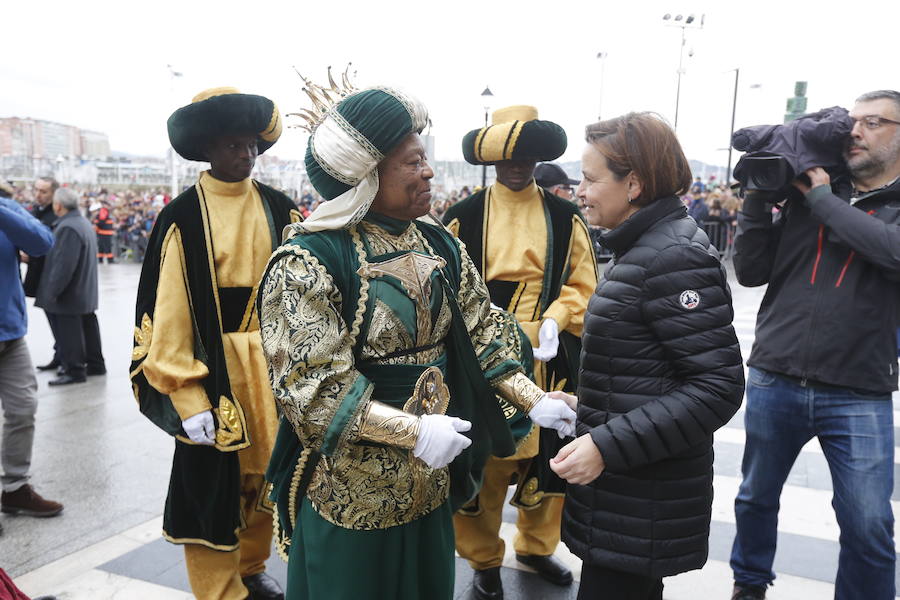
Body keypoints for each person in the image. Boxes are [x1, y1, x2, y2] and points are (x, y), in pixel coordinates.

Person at [256, 79, 577, 600]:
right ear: (368, 173)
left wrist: (534, 398)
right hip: (353, 487)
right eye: (412, 160)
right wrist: (415, 432)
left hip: (431, 480)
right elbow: (312, 388)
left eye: (424, 158)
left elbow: (483, 332)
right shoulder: (307, 262)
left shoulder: (439, 243)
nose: (428, 170)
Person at [549, 112, 745, 600]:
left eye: (591, 179)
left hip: (640, 495)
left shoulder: (672, 256)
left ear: (633, 184)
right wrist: (589, 405)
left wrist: (606, 444)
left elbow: (717, 387)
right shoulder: (646, 248)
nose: (581, 191)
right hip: (630, 494)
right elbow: (649, 369)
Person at [130, 87, 300, 600]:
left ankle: (251, 568)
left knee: (266, 478)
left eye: (250, 145)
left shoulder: (280, 206)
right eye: (232, 145)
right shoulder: (181, 215)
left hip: (273, 365)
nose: (245, 155)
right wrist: (186, 393)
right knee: (210, 486)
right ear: (208, 149)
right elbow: (171, 311)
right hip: (215, 367)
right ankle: (217, 590)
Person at [729, 90, 900, 600]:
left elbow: (890, 252)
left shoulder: (830, 197)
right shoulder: (811, 192)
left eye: (873, 122)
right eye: (852, 121)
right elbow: (752, 270)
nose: (855, 131)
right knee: (755, 498)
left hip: (858, 389)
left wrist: (823, 199)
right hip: (775, 374)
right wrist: (759, 198)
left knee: (869, 523)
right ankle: (749, 583)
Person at [444, 105, 597, 599]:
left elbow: (583, 280)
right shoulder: (463, 216)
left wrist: (557, 318)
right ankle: (483, 560)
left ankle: (536, 546)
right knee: (486, 460)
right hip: (485, 357)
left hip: (548, 356)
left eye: (526, 158)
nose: (516, 167)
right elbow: (442, 288)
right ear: (490, 162)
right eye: (506, 159)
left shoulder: (563, 214)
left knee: (549, 460)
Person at [0, 179, 63, 533]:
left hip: (10, 335)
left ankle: (14, 488)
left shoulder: (6, 209)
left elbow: (42, 242)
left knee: (23, 409)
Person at [35, 188, 105, 386]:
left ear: (58, 205)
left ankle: (75, 371)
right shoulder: (81, 222)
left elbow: (64, 266)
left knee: (69, 332)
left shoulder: (67, 227)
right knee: (88, 327)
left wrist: (52, 292)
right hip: (84, 290)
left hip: (71, 294)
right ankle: (95, 365)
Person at [22, 177, 59, 371]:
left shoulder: (57, 214)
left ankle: (63, 356)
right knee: (51, 317)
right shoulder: (36, 212)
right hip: (38, 274)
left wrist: (30, 256)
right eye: (36, 190)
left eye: (43, 191)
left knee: (57, 318)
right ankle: (59, 354)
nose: (38, 194)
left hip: (50, 275)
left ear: (54, 193)